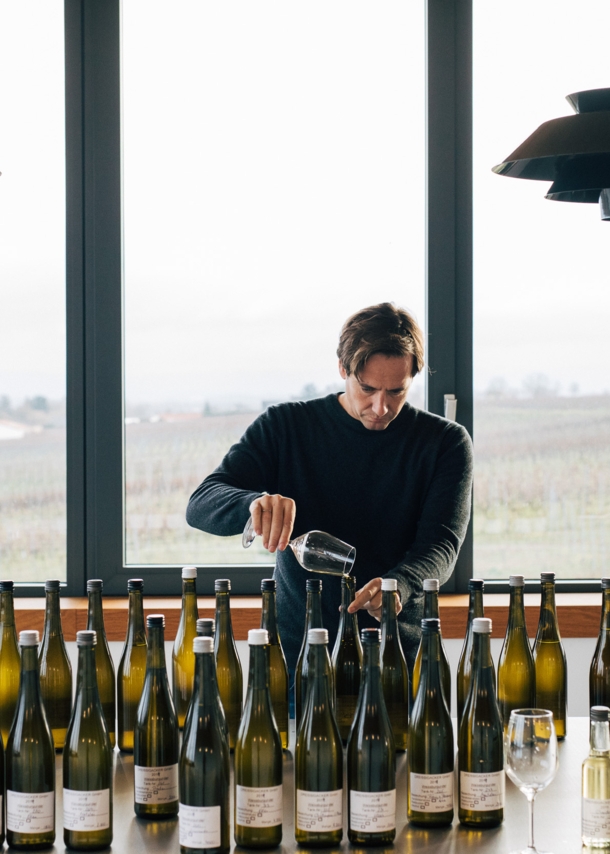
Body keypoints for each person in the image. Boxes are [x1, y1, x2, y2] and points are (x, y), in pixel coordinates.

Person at [186, 302, 473, 679]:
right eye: (367, 388)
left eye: (397, 392)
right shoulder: (285, 427)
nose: (381, 407)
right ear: (343, 368)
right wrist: (253, 504)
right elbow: (201, 503)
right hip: (298, 659)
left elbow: (441, 543)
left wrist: (399, 585)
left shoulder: (445, 443)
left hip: (396, 661)